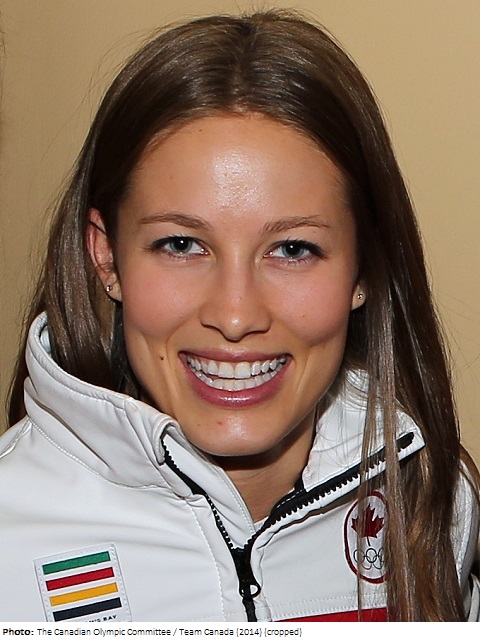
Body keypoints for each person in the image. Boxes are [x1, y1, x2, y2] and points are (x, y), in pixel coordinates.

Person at [1, 10, 479, 623]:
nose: (234, 315)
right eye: (181, 244)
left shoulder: (434, 502)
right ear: (107, 257)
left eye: (293, 249)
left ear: (364, 269)